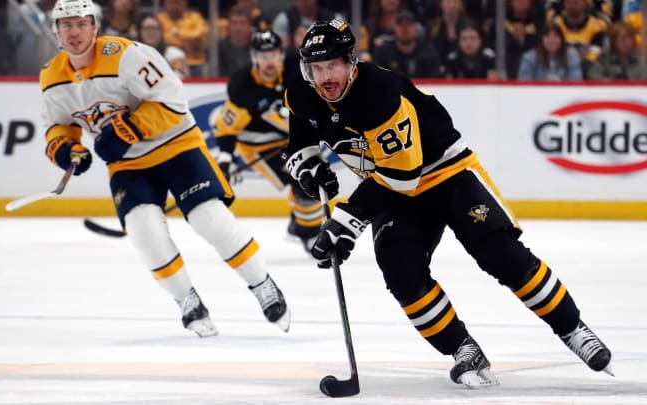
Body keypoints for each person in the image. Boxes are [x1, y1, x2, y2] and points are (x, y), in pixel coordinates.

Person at [283, 18, 613, 388]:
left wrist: (348, 219)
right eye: (317, 68)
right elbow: (301, 137)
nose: (325, 76)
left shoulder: (380, 93)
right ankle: (463, 349)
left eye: (333, 66)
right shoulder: (302, 92)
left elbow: (401, 176)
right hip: (392, 190)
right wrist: (308, 166)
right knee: (400, 271)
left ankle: (573, 329)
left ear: (351, 62)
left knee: (498, 252)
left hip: (444, 172)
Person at [39, 0, 290, 338]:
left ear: (95, 27)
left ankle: (263, 285)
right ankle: (187, 300)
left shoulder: (126, 55)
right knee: (144, 231)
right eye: (66, 25)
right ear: (56, 32)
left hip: (176, 145)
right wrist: (67, 148)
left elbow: (172, 99)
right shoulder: (52, 77)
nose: (74, 32)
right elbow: (58, 125)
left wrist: (130, 129)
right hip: (128, 164)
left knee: (208, 218)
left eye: (81, 23)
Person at [213, 29, 323, 252]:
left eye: (273, 54)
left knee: (315, 177)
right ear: (254, 57)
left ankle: (300, 224)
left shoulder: (296, 69)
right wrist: (225, 159)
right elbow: (226, 128)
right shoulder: (243, 85)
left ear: (281, 54)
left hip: (292, 138)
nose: (269, 61)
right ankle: (308, 233)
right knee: (303, 180)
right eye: (263, 56)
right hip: (259, 148)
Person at [371, 8, 442, 79]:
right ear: (395, 28)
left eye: (409, 24)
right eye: (400, 24)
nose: (405, 28)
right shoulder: (383, 53)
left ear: (415, 28)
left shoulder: (428, 53)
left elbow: (435, 83)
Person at [517, 24, 583, 81]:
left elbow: (576, 84)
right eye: (547, 36)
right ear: (541, 39)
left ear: (562, 40)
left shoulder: (572, 57)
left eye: (556, 36)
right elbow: (524, 84)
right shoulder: (529, 58)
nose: (552, 40)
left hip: (566, 95)